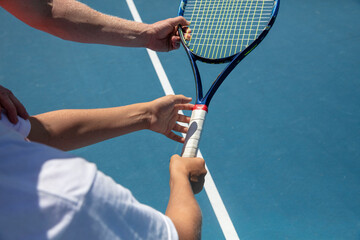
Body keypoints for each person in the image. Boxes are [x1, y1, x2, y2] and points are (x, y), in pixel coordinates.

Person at [0, 0, 205, 239]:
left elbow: (32, 135)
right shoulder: (69, 198)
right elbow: (180, 235)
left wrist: (145, 116)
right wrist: (182, 182)